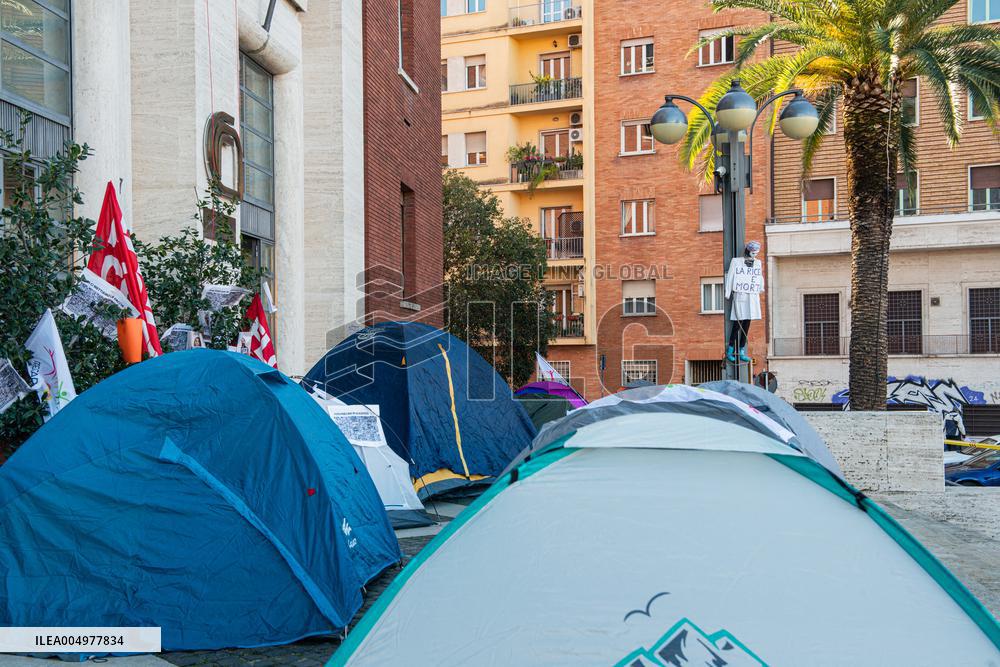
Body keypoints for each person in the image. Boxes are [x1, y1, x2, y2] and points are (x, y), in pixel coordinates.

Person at [724, 240, 764, 363]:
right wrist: (728, 292)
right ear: (748, 251)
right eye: (753, 252)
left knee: (747, 323)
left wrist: (760, 288)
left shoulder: (758, 263)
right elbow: (730, 276)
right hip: (740, 295)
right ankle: (730, 350)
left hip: (752, 295)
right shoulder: (736, 262)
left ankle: (741, 350)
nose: (754, 255)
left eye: (756, 253)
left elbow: (759, 276)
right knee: (737, 323)